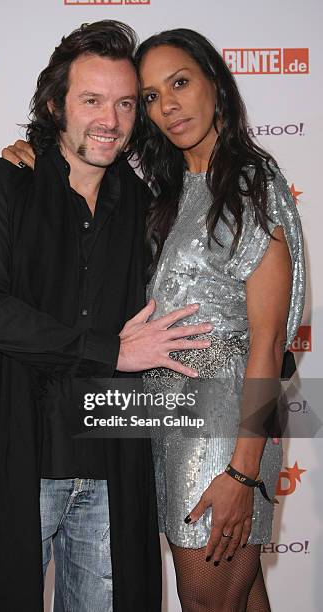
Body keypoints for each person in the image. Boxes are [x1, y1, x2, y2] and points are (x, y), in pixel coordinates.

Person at [0, 21, 214, 612]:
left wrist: (262, 369)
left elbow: (194, 299)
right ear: (53, 103)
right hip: (20, 458)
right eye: (91, 101)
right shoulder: (0, 186)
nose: (110, 121)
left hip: (113, 467)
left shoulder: (143, 206)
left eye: (123, 104)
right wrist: (109, 350)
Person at [131, 29, 305, 611]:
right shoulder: (174, 188)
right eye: (151, 96)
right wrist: (31, 151)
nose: (167, 106)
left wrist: (243, 474)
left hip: (223, 433)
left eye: (179, 82)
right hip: (172, 422)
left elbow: (268, 340)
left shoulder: (251, 182)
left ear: (216, 85)